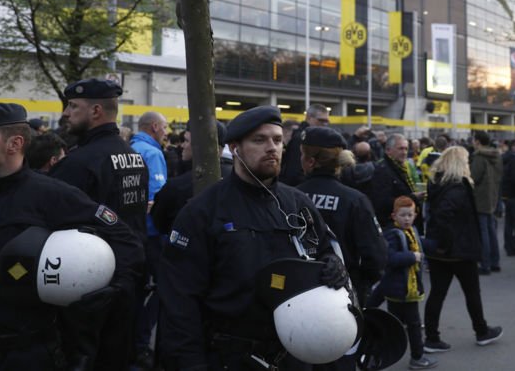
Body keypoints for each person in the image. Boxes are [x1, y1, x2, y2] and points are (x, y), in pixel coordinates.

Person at [157, 105, 348, 370]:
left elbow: (326, 249)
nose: (272, 147)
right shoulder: (202, 211)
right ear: (235, 149)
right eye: (259, 140)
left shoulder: (298, 203)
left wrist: (333, 265)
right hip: (229, 357)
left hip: (294, 353)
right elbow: (180, 302)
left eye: (278, 140)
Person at [0, 102, 144, 370]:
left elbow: (126, 241)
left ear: (14, 144)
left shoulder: (52, 195)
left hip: (23, 352)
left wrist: (108, 291)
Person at [48, 77, 149, 369]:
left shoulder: (79, 164)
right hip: (128, 279)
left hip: (90, 286)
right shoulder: (133, 157)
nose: (66, 113)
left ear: (95, 112)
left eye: (73, 106)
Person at [423, 146, 503, 353]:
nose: (468, 163)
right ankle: (481, 331)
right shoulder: (457, 187)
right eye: (466, 160)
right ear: (460, 163)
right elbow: (444, 216)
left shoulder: (438, 183)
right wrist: (445, 244)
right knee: (471, 292)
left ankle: (432, 337)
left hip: (443, 249)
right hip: (458, 249)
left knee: (438, 293)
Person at [297, 126, 387, 307]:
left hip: (299, 292)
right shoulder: (355, 200)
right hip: (345, 293)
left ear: (310, 161)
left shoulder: (292, 197)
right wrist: (362, 283)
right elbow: (376, 256)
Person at [379, 196, 437, 369]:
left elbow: (421, 244)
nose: (406, 218)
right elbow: (390, 258)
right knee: (412, 325)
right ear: (394, 216)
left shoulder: (412, 231)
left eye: (409, 215)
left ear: (415, 215)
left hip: (405, 289)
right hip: (402, 290)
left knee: (397, 325)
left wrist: (436, 245)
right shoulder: (393, 234)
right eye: (402, 215)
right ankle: (417, 357)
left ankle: (386, 354)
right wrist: (413, 257)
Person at [130, 111, 169, 368]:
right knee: (165, 288)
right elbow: (159, 199)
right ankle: (142, 342)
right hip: (152, 234)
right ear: (154, 127)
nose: (166, 133)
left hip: (131, 232)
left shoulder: (130, 149)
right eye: (164, 128)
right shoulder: (153, 154)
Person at [151, 121, 232, 235]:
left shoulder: (175, 187)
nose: (182, 145)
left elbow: (160, 223)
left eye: (187, 141)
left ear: (202, 147)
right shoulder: (234, 177)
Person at [367, 133, 424, 227]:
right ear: (388, 150)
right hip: (392, 225)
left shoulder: (402, 168)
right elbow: (382, 202)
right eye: (400, 148)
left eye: (406, 148)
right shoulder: (382, 170)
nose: (404, 152)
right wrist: (412, 198)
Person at [470, 131, 502, 274]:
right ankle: (495, 262)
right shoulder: (496, 156)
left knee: (483, 231)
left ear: (477, 141)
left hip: (480, 197)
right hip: (493, 195)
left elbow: (474, 177)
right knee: (491, 230)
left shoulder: (479, 157)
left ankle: (485, 264)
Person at [281, 103, 330, 186]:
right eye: (321, 120)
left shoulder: (312, 136)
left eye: (326, 121)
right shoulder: (301, 138)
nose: (324, 124)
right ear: (309, 118)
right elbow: (294, 171)